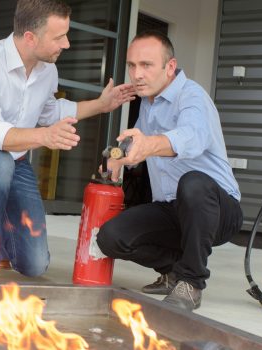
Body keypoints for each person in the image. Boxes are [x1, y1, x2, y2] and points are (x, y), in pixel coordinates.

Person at [0, 0, 135, 280]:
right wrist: (45, 136)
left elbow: (50, 112)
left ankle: (4, 238)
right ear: (30, 38)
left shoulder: (47, 71)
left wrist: (101, 104)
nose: (66, 44)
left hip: (13, 166)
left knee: (35, 264)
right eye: (59, 37)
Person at [96, 30, 243, 311]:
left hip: (216, 209)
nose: (137, 74)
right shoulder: (149, 103)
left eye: (146, 65)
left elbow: (192, 136)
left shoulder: (192, 97)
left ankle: (191, 282)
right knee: (111, 238)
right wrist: (115, 157)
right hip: (172, 208)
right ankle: (174, 270)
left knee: (194, 183)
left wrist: (150, 145)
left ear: (170, 67)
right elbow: (132, 144)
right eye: (132, 65)